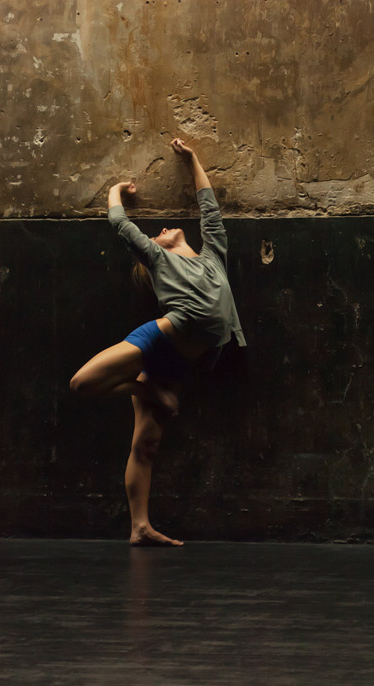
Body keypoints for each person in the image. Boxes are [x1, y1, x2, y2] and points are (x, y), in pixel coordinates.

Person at [70, 137, 246, 546]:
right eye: (158, 233)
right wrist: (115, 191)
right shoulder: (159, 259)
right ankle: (143, 388)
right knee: (81, 383)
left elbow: (209, 208)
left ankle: (140, 527)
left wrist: (193, 159)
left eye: (164, 229)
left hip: (180, 363)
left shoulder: (213, 256)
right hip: (156, 341)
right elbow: (120, 225)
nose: (163, 229)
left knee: (146, 446)